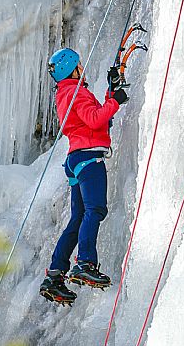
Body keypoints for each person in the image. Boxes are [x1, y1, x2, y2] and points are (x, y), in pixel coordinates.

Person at [40, 48, 128, 305]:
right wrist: (116, 101)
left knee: (78, 218)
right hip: (89, 158)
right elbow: (94, 119)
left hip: (76, 159)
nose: (83, 68)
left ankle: (55, 275)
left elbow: (97, 121)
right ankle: (85, 263)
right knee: (95, 209)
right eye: (80, 65)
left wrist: (111, 93)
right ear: (73, 69)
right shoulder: (77, 91)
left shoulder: (65, 93)